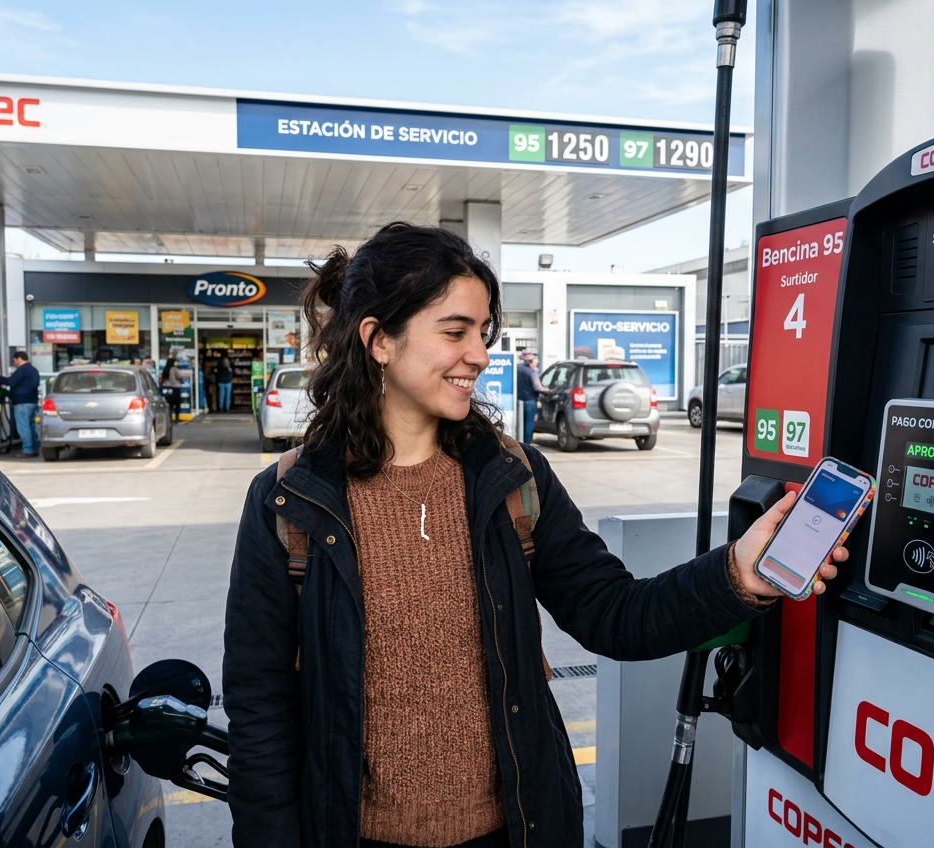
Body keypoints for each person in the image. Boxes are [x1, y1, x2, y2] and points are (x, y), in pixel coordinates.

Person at [222, 222, 845, 848]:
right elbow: (260, 709)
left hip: (516, 831)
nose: (480, 355)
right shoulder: (291, 501)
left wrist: (736, 572)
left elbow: (613, 612)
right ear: (378, 339)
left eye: (482, 332)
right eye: (455, 332)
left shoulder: (512, 477)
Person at [0, 351, 41, 457]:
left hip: (22, 403)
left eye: (15, 361)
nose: (15, 363)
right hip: (32, 402)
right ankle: (34, 448)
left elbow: (11, 382)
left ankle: (28, 450)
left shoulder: (22, 369)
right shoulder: (34, 370)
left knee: (23, 427)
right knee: (31, 426)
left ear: (19, 359)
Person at [515, 352, 544, 445]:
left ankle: (519, 441)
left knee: (520, 422)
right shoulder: (532, 372)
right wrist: (548, 390)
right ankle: (527, 443)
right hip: (530, 400)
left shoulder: (517, 369)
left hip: (518, 400)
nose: (536, 365)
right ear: (529, 362)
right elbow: (537, 387)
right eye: (535, 362)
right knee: (529, 423)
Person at [161, 358, 189, 425]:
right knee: (177, 404)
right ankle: (177, 418)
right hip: (175, 388)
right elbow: (179, 376)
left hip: (167, 388)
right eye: (176, 362)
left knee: (169, 405)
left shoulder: (166, 369)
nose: (177, 363)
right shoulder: (174, 369)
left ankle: (169, 419)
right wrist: (187, 374)